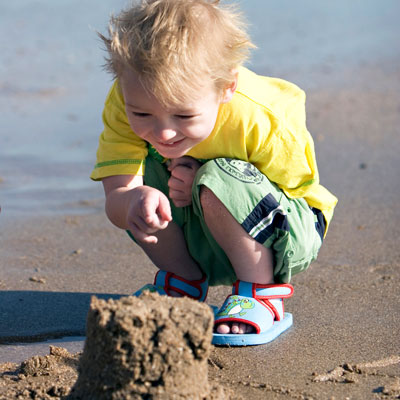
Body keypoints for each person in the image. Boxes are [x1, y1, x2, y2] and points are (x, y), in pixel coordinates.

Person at [91, 0, 337, 346]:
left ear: (227, 87)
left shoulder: (260, 118)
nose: (163, 132)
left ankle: (261, 292)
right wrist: (133, 200)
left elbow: (296, 199)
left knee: (218, 177)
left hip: (283, 236)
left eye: (184, 116)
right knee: (146, 168)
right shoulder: (126, 99)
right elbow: (115, 195)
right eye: (143, 115)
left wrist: (207, 180)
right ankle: (184, 282)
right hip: (203, 234)